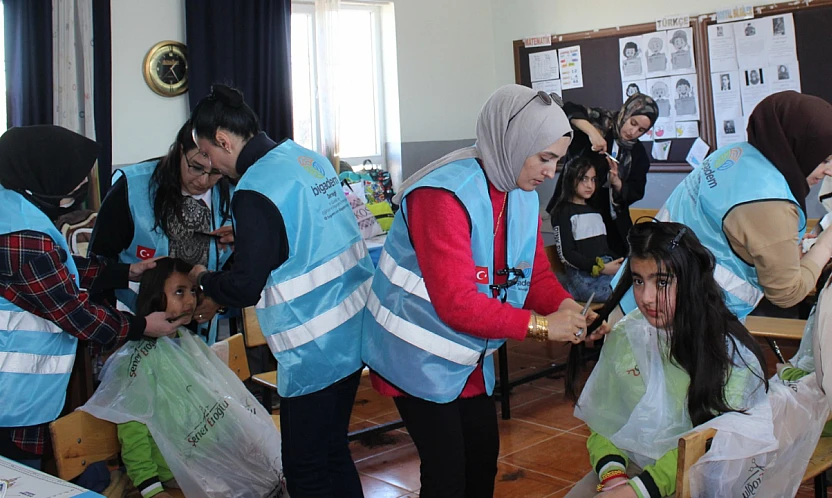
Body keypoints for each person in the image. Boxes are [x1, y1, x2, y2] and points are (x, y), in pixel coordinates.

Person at [361, 85, 611, 498]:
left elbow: (531, 278)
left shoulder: (521, 192)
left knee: (480, 460)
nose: (551, 172)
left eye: (558, 161)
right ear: (513, 142)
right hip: (414, 356)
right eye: (544, 158)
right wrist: (543, 327)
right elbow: (458, 303)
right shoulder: (441, 195)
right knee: (447, 473)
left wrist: (570, 310)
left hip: (466, 355)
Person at [186, 84, 374, 498]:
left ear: (223, 139)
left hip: (312, 348)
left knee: (305, 467)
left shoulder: (253, 190)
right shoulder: (306, 157)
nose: (211, 165)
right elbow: (309, 229)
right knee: (333, 451)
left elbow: (244, 287)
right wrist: (252, 237)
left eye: (208, 154)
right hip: (355, 329)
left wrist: (202, 277)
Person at [0, 126, 183, 469]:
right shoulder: (24, 238)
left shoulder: (10, 206)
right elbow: (77, 314)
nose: (81, 189)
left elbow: (59, 268)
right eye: (74, 181)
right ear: (45, 175)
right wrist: (142, 325)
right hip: (12, 393)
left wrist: (124, 271)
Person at [564, 222, 770, 498]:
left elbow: (714, 444)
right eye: (638, 280)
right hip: (631, 469)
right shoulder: (627, 334)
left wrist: (639, 491)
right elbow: (604, 419)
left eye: (662, 282)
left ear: (690, 280)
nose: (647, 298)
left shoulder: (727, 351)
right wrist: (613, 478)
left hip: (702, 478)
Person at [616, 91, 832, 319]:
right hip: (681, 319)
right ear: (797, 145)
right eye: (824, 160)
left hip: (635, 292)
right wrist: (826, 245)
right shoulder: (772, 203)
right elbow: (787, 293)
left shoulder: (735, 154)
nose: (828, 170)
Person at [90, 121, 234, 344]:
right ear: (179, 152)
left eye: (216, 172)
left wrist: (217, 298)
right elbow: (98, 261)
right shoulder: (131, 187)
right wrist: (121, 329)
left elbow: (240, 263)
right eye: (196, 167)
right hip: (135, 330)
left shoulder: (233, 195)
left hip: (201, 336)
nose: (204, 181)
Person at [118, 258, 196, 498]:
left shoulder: (185, 342)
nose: (191, 301)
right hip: (171, 471)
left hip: (197, 460)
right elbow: (132, 426)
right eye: (179, 292)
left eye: (193, 290)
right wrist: (151, 489)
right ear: (155, 297)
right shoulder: (139, 358)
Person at [545, 94, 659, 255]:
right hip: (575, 205)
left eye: (641, 130)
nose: (633, 132)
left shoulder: (638, 154)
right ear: (626, 113)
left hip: (611, 215)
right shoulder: (601, 122)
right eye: (632, 123)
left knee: (622, 256)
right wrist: (593, 133)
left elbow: (636, 190)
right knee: (580, 256)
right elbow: (567, 110)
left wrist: (618, 183)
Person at [550, 156, 623, 301]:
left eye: (593, 179)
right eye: (584, 179)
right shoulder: (563, 211)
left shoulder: (595, 211)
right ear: (571, 179)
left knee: (635, 286)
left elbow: (604, 249)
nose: (590, 185)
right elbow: (567, 254)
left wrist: (621, 263)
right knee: (623, 295)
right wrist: (601, 268)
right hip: (583, 278)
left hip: (604, 270)